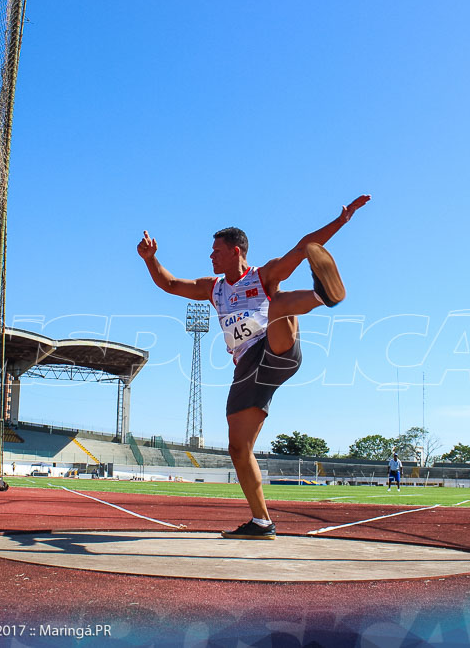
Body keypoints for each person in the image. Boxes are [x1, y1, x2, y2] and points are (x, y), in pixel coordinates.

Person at [138, 195, 371, 540]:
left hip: (277, 348)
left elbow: (304, 246)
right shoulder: (213, 288)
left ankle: (325, 296)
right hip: (249, 369)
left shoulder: (264, 274)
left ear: (236, 251)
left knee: (276, 303)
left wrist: (341, 221)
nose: (210, 256)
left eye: (215, 250)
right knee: (238, 448)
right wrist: (151, 258)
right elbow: (170, 284)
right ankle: (262, 522)